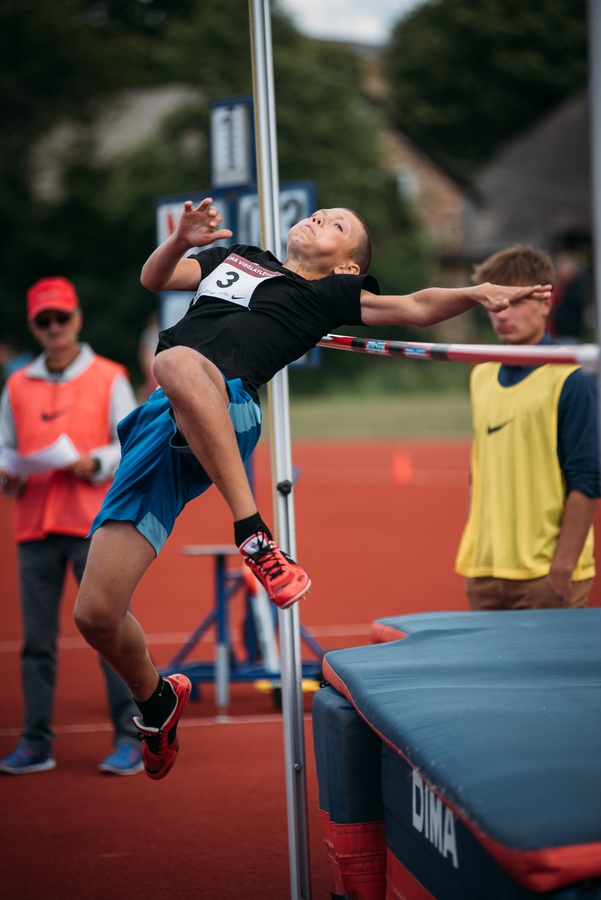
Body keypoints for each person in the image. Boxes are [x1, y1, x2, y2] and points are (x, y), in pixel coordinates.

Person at [73, 199, 551, 781]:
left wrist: (474, 294)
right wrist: (179, 241)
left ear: (347, 267)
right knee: (96, 613)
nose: (322, 218)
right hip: (160, 421)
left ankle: (255, 536)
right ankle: (156, 701)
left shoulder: (329, 295)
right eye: (322, 213)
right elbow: (155, 278)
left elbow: (417, 307)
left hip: (227, 405)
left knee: (174, 362)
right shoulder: (238, 256)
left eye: (339, 224)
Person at [0, 277, 142, 776]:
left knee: (109, 631)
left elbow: (131, 442)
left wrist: (96, 462)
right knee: (36, 644)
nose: (54, 327)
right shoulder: (17, 384)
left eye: (61, 317)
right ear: (34, 326)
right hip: (35, 526)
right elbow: (6, 446)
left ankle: (131, 736)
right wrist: (8, 473)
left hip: (94, 527)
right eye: (44, 320)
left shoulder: (109, 375)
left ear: (77, 318)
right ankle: (35, 742)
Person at [455, 245, 599, 610]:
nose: (503, 313)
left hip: (544, 576)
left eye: (516, 302)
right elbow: (479, 471)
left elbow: (587, 479)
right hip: (485, 573)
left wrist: (563, 566)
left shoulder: (573, 380)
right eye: (495, 303)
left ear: (546, 302)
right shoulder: (481, 374)